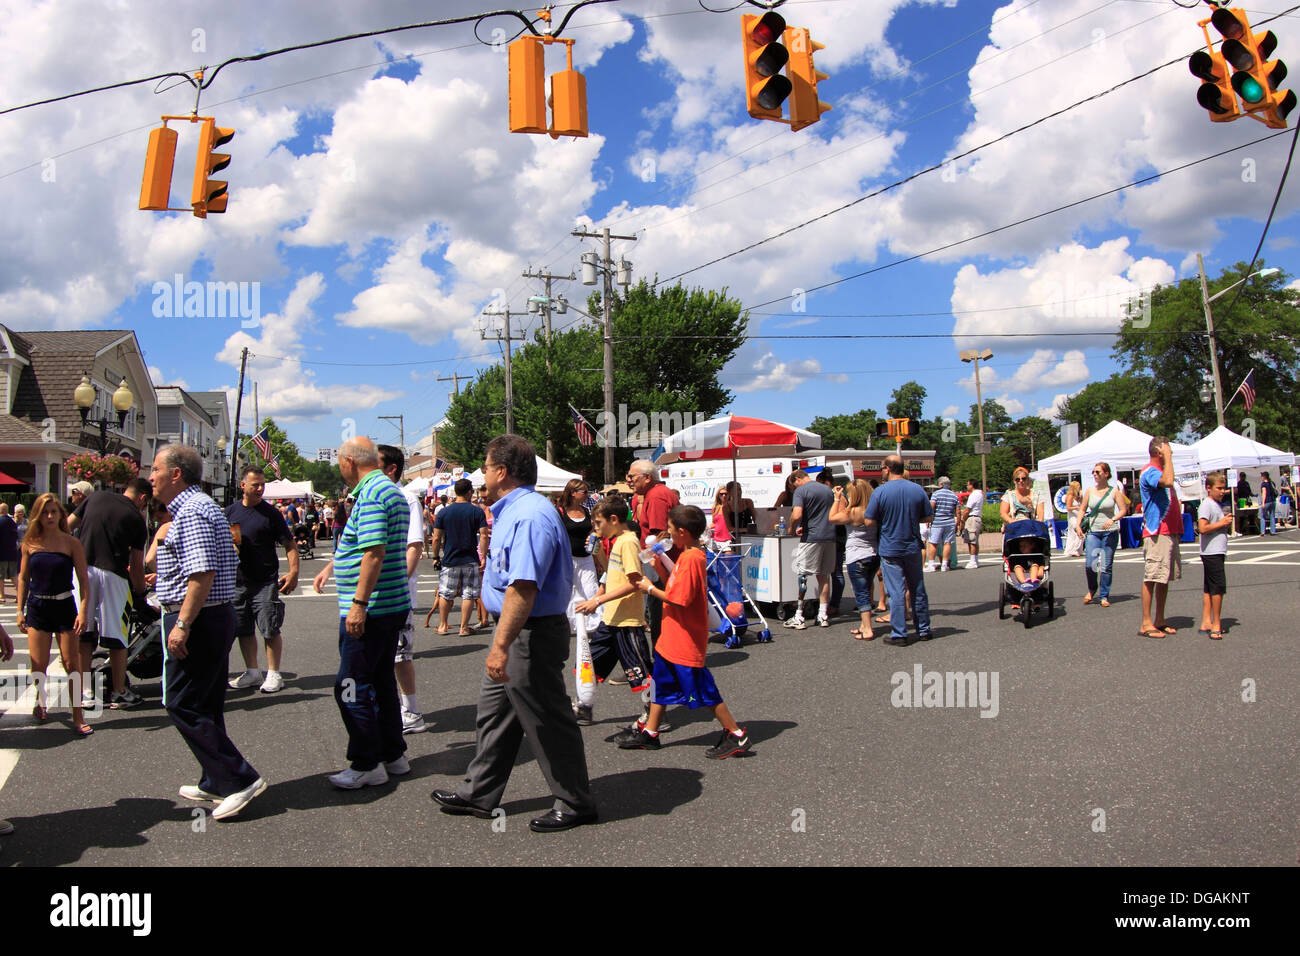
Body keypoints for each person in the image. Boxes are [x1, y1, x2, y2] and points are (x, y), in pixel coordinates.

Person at [431, 435, 597, 833]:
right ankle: (479, 793)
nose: (483, 475)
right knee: (494, 716)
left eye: (486, 468)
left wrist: (501, 645)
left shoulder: (529, 515)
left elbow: (523, 587)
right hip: (519, 632)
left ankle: (575, 802)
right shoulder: (514, 510)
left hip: (530, 635)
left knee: (546, 719)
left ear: (502, 472)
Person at [150, 444, 265, 820]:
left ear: (175, 474)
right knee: (206, 704)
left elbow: (202, 574)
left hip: (198, 619)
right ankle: (215, 780)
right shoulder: (196, 508)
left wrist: (182, 624)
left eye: (155, 469)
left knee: (180, 702)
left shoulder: (194, 512)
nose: (150, 476)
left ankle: (239, 777)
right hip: (209, 616)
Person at [313, 437, 411, 790]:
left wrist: (358, 605)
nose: (339, 466)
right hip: (391, 604)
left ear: (350, 461)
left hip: (372, 608)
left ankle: (367, 762)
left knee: (350, 686)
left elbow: (373, 552)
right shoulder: (389, 490)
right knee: (381, 681)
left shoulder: (370, 494)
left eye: (340, 461)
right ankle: (393, 753)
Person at [619, 504, 751, 758]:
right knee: (661, 682)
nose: (666, 534)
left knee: (702, 688)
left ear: (681, 532)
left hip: (684, 637)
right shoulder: (688, 555)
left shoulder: (692, 558)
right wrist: (658, 566)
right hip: (672, 636)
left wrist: (648, 588)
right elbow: (676, 588)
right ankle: (650, 732)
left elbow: (678, 599)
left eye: (669, 529)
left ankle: (736, 734)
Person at [68, 477, 151, 708]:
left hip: (83, 571)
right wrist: (141, 595)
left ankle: (84, 692)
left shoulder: (95, 497)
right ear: (142, 498)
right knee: (117, 636)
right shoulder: (136, 518)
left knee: (84, 632)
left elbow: (67, 525)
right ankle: (119, 691)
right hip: (113, 575)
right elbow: (136, 565)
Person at [573, 496, 655, 722]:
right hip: (611, 618)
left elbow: (634, 581)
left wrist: (597, 601)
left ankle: (655, 714)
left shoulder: (628, 541)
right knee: (591, 663)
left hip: (627, 620)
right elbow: (614, 573)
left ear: (614, 519)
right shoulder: (618, 540)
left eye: (598, 523)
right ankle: (584, 705)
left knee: (641, 671)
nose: (596, 528)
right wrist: (599, 591)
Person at [17, 493, 92, 736]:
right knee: (37, 664)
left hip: (64, 607)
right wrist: (19, 610)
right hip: (37, 607)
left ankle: (78, 715)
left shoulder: (72, 543)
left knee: (72, 663)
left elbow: (83, 579)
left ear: (61, 514)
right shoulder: (30, 542)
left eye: (54, 511)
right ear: (38, 515)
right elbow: (23, 578)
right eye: (45, 511)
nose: (50, 516)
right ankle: (41, 700)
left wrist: (83, 610)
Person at [225, 466, 300, 694]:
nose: (260, 488)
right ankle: (252, 671)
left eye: (262, 484)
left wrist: (294, 572)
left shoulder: (272, 514)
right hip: (238, 581)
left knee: (269, 627)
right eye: (255, 484)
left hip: (265, 580)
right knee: (243, 629)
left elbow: (290, 544)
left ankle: (274, 673)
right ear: (243, 486)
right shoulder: (229, 513)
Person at [378, 445, 432, 736]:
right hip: (373, 593)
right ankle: (389, 708)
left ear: (391, 470)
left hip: (395, 594)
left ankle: (411, 711)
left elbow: (415, 546)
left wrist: (399, 584)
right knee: (380, 656)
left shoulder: (407, 498)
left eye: (376, 465)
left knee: (400, 654)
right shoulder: (373, 496)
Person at [864, 455, 932, 646]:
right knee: (917, 588)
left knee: (896, 592)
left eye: (881, 468)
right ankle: (924, 629)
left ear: (887, 469)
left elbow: (869, 520)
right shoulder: (917, 489)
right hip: (912, 545)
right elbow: (928, 517)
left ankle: (900, 633)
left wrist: (884, 520)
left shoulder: (880, 492)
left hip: (890, 546)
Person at [559, 479, 602, 724]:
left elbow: (594, 533)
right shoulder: (560, 511)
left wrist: (596, 553)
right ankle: (571, 625)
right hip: (567, 559)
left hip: (586, 560)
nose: (586, 494)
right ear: (572, 492)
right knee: (568, 595)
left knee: (590, 592)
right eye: (584, 491)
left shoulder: (587, 512)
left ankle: (592, 625)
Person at [627, 459, 679, 646]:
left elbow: (658, 537)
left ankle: (660, 661)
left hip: (660, 565)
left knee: (658, 613)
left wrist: (645, 559)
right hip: (663, 563)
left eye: (632, 476)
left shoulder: (656, 496)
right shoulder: (659, 493)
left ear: (647, 478)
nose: (629, 480)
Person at [427, 478, 488, 635]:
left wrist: (435, 556)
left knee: (445, 593)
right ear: (469, 492)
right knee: (468, 594)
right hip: (470, 558)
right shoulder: (477, 511)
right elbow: (483, 536)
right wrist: (483, 557)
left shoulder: (444, 512)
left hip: (450, 558)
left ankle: (442, 625)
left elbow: (436, 538)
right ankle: (464, 627)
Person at [1138, 437, 1183, 639]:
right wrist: (1168, 458)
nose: (1171, 454)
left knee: (1164, 578)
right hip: (1157, 533)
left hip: (1169, 531)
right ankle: (1146, 623)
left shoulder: (1162, 470)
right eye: (1167, 450)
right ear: (1159, 452)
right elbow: (1167, 482)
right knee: (1152, 577)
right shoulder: (1150, 472)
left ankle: (1160, 619)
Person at [783, 469, 835, 629]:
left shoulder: (801, 491)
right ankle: (823, 615)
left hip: (811, 538)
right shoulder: (827, 489)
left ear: (797, 479)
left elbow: (797, 514)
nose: (793, 490)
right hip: (829, 536)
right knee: (824, 576)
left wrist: (792, 527)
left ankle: (799, 615)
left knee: (803, 574)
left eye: (792, 487)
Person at [829, 478, 878, 640]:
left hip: (856, 555)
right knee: (867, 587)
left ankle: (868, 628)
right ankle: (864, 625)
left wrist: (837, 498)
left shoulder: (852, 512)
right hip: (874, 554)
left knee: (860, 593)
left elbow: (832, 517)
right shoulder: (874, 510)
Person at [1079, 462, 1126, 608]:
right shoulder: (1089, 491)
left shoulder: (1114, 491)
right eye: (1093, 472)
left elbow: (1123, 510)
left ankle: (1104, 595)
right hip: (1093, 532)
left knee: (1106, 566)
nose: (1095, 474)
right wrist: (1078, 525)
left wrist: (1112, 519)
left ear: (1106, 474)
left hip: (1110, 532)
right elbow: (1082, 509)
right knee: (1090, 564)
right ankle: (1092, 589)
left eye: (1098, 472)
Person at [1197, 472, 1232, 640]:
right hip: (1212, 552)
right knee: (1218, 588)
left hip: (1215, 551)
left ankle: (1206, 621)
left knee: (1209, 588)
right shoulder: (1207, 505)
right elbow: (1202, 528)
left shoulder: (1215, 504)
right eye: (1219, 488)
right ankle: (1216, 624)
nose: (1222, 491)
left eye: (1223, 488)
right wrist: (1222, 523)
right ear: (1208, 488)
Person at [816, 470, 847, 613]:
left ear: (827, 483)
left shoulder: (839, 497)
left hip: (836, 538)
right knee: (824, 572)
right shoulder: (829, 496)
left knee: (837, 572)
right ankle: (826, 602)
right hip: (827, 537)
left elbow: (839, 518)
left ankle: (835, 604)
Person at [925, 476, 960, 572]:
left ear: (940, 484)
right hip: (949, 522)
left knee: (933, 542)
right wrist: (958, 523)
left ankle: (931, 564)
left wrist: (928, 519)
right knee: (947, 543)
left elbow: (931, 507)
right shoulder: (954, 495)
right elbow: (958, 511)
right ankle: (945, 564)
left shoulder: (936, 494)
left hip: (937, 522)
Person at [960, 479, 985, 569]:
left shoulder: (974, 495)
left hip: (972, 518)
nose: (967, 487)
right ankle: (975, 559)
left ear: (971, 485)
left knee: (972, 540)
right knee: (974, 540)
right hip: (976, 517)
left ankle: (973, 560)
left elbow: (968, 509)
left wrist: (962, 518)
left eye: (968, 485)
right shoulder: (980, 494)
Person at [0, 503, 18, 603]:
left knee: (1, 576)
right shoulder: (12, 522)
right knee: (13, 575)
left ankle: (2, 595)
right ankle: (19, 595)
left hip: (1, 553)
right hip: (12, 552)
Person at [1062, 480, 1084, 557]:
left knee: (1078, 532)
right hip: (1072, 516)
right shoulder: (1070, 496)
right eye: (1078, 486)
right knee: (1076, 531)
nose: (1079, 488)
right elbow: (1068, 507)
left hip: (1078, 515)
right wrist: (1076, 507)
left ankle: (1078, 549)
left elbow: (1082, 504)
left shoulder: (1077, 496)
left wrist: (1081, 496)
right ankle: (1074, 549)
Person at [1259, 471, 1277, 536]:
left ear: (1264, 477)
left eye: (1262, 476)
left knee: (1263, 516)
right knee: (1272, 516)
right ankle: (1273, 531)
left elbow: (1264, 493)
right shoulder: (1272, 483)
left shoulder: (1264, 484)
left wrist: (1263, 503)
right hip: (1273, 500)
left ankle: (1262, 531)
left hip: (1267, 501)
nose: (1261, 477)